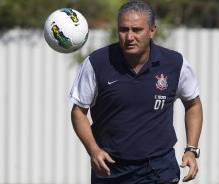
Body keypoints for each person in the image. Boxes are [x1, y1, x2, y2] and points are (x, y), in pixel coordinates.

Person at [70, 1, 203, 183]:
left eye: (137, 30)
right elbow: (78, 111)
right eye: (123, 29)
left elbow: (193, 105)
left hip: (158, 168)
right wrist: (93, 150)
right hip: (111, 169)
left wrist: (191, 149)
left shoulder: (174, 63)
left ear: (152, 31)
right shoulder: (97, 63)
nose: (129, 36)